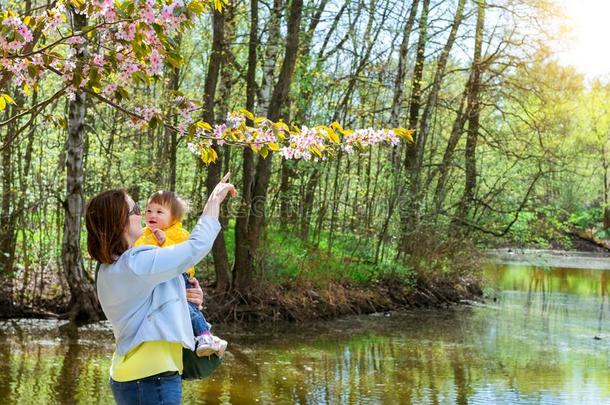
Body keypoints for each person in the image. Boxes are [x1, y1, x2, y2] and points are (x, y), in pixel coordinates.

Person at [85, 173, 237, 405]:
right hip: (152, 377)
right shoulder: (136, 262)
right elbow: (195, 248)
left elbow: (149, 302)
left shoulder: (110, 268)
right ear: (120, 221)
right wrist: (214, 201)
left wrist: (187, 295)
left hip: (131, 376)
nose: (142, 215)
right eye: (136, 210)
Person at [135, 190, 227, 357]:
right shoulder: (142, 234)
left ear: (174, 219)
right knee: (181, 309)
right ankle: (206, 336)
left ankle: (205, 336)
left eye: (159, 212)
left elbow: (186, 257)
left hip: (180, 276)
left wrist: (165, 242)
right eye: (149, 210)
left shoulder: (179, 234)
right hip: (159, 279)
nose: (151, 215)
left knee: (188, 308)